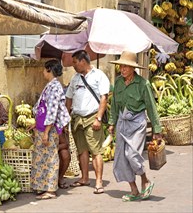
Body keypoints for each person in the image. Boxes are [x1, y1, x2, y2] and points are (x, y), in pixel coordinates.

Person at [108, 51, 162, 202]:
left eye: (126, 66)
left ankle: (145, 180)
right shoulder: (118, 82)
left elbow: (151, 107)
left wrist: (157, 130)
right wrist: (112, 122)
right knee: (121, 158)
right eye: (121, 66)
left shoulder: (142, 84)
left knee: (132, 155)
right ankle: (134, 189)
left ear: (133, 68)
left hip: (137, 123)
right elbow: (114, 104)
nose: (123, 69)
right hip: (122, 122)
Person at [65, 50, 110, 194]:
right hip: (77, 118)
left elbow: (104, 98)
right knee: (82, 150)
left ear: (83, 61)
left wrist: (98, 118)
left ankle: (98, 181)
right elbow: (69, 98)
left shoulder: (99, 76)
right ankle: (84, 178)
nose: (73, 65)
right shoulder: (75, 78)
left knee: (96, 151)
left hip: (92, 117)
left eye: (74, 62)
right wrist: (66, 118)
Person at [29, 59, 71, 200]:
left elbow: (52, 112)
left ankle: (51, 190)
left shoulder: (54, 87)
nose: (42, 72)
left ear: (49, 70)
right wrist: (36, 124)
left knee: (51, 158)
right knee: (42, 158)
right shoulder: (50, 85)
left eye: (44, 69)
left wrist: (46, 132)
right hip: (42, 128)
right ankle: (43, 186)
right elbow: (43, 108)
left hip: (49, 129)